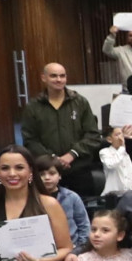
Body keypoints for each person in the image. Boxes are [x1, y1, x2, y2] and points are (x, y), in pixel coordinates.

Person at [20, 63, 102, 200]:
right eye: (53, 76)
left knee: (84, 209)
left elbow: (93, 135)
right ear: (43, 78)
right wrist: (53, 158)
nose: (59, 80)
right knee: (48, 210)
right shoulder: (33, 107)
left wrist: (72, 154)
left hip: (79, 167)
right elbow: (30, 140)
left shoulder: (80, 102)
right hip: (47, 171)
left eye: (62, 76)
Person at [32, 155, 91, 252]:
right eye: (42, 174)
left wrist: (79, 249)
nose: (47, 178)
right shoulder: (31, 199)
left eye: (52, 173)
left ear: (59, 175)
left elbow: (84, 226)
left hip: (73, 249)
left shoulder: (72, 197)